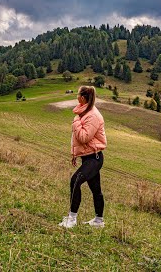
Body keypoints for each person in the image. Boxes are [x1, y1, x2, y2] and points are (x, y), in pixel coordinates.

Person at [59, 86, 107, 228]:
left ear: (83, 98)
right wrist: (75, 154)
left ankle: (72, 219)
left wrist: (75, 122)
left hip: (94, 158)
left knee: (75, 181)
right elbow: (78, 139)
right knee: (96, 189)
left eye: (78, 94)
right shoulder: (84, 111)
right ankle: (99, 221)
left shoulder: (92, 115)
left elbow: (84, 137)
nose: (77, 96)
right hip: (88, 157)